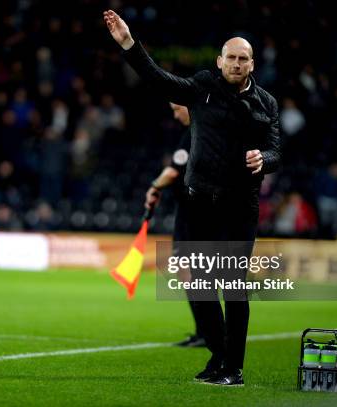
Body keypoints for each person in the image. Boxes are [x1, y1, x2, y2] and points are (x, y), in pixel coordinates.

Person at [104, 10, 281, 386]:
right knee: (199, 286)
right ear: (219, 61)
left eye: (242, 58)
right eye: (230, 57)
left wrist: (263, 159)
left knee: (233, 288)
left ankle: (233, 368)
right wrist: (128, 45)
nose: (235, 63)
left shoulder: (267, 103)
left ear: (252, 63)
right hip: (201, 202)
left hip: (239, 207)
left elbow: (276, 151)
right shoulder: (202, 87)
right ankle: (219, 356)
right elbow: (159, 80)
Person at [145, 103, 205, 348]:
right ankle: (205, 331)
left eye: (176, 108)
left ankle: (208, 332)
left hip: (193, 213)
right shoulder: (199, 132)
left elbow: (172, 173)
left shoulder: (194, 133)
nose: (174, 114)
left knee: (191, 273)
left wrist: (154, 187)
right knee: (191, 273)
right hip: (194, 211)